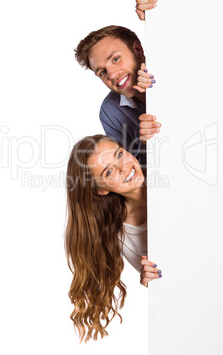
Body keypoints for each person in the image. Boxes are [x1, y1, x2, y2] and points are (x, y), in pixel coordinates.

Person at [65, 134, 162, 342]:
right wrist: (153, 282)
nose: (123, 167)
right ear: (101, 189)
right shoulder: (119, 233)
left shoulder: (166, 171)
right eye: (109, 171)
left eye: (119, 154)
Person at [74, 0, 161, 166]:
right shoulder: (110, 111)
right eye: (102, 72)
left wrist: (159, 11)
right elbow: (130, 175)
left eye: (115, 59)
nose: (112, 75)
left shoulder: (168, 65)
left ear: (137, 50)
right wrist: (146, 144)